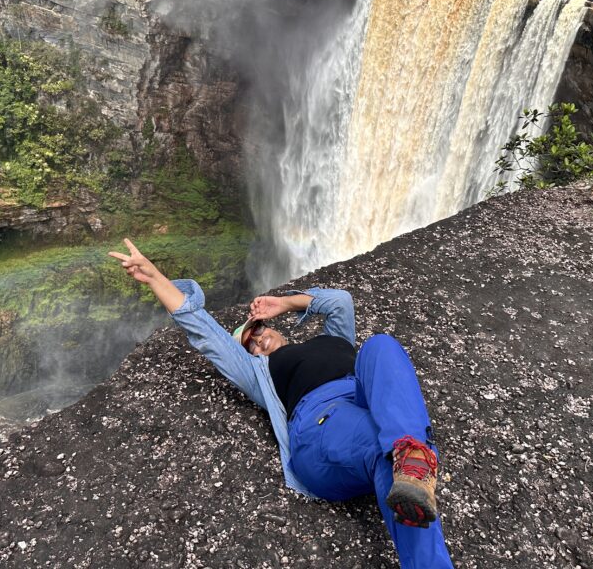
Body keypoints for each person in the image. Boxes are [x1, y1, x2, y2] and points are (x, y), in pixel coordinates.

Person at [109, 239, 453, 568]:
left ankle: (409, 459)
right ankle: (411, 458)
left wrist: (285, 302)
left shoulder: (332, 339)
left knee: (380, 346)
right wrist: (156, 278)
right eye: (250, 345)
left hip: (362, 400)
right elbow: (206, 334)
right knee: (387, 453)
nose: (258, 342)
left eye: (256, 331)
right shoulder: (261, 372)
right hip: (320, 425)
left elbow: (340, 302)